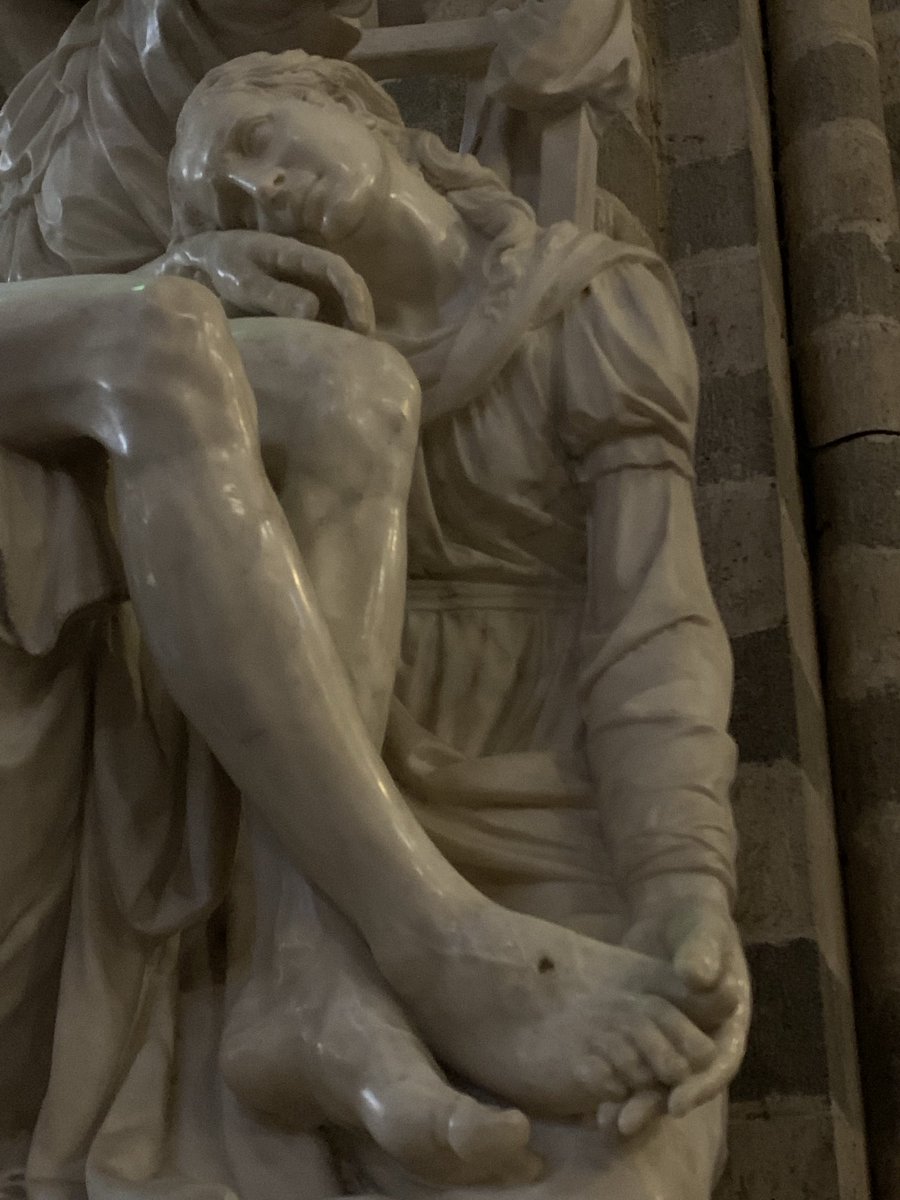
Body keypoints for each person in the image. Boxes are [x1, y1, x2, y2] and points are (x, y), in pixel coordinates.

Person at [0, 8, 727, 1197]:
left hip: (542, 788)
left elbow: (653, 630)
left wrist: (686, 880)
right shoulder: (251, 383)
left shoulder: (584, 309)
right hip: (277, 799)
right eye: (219, 198)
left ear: (352, 105)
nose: (255, 185)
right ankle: (321, 968)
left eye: (256, 134)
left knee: (620, 1167)